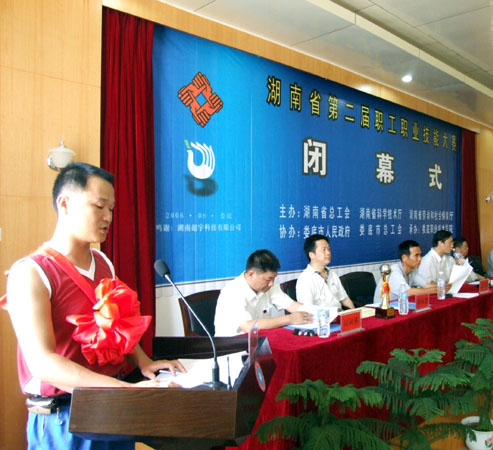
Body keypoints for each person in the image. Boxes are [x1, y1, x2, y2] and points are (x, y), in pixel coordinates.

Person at [4, 163, 184, 450]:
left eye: (111, 209)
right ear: (65, 204)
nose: (108, 217)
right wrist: (127, 390)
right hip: (64, 417)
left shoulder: (102, 262)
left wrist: (143, 362)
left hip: (113, 409)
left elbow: (116, 327)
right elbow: (43, 363)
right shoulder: (31, 272)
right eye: (99, 206)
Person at [214, 249, 313, 336]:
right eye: (268, 279)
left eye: (274, 278)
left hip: (259, 342)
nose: (271, 284)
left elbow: (292, 305)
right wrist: (289, 319)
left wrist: (316, 312)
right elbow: (248, 326)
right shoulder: (232, 292)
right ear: (251, 274)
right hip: (232, 347)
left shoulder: (269, 287)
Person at [295, 234, 355, 310]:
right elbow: (307, 310)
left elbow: (344, 299)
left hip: (340, 315)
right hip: (322, 317)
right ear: (311, 255)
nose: (328, 253)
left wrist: (355, 313)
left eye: (328, 249)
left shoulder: (332, 273)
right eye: (323, 250)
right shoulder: (305, 279)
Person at [373, 240, 441, 301]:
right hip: (382, 309)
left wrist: (443, 286)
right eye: (416, 255)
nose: (420, 259)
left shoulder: (413, 270)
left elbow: (427, 286)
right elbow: (408, 292)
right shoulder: (394, 272)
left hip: (400, 305)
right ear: (404, 258)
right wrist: (434, 290)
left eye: (420, 255)